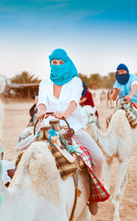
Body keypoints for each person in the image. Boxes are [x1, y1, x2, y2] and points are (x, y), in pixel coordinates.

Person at [36, 48, 104, 180]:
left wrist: (65, 115)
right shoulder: (44, 83)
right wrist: (41, 110)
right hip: (48, 128)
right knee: (22, 152)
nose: (56, 65)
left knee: (99, 158)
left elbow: (74, 101)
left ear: (67, 63)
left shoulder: (75, 82)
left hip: (72, 127)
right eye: (54, 62)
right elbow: (42, 101)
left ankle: (94, 197)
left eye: (60, 62)